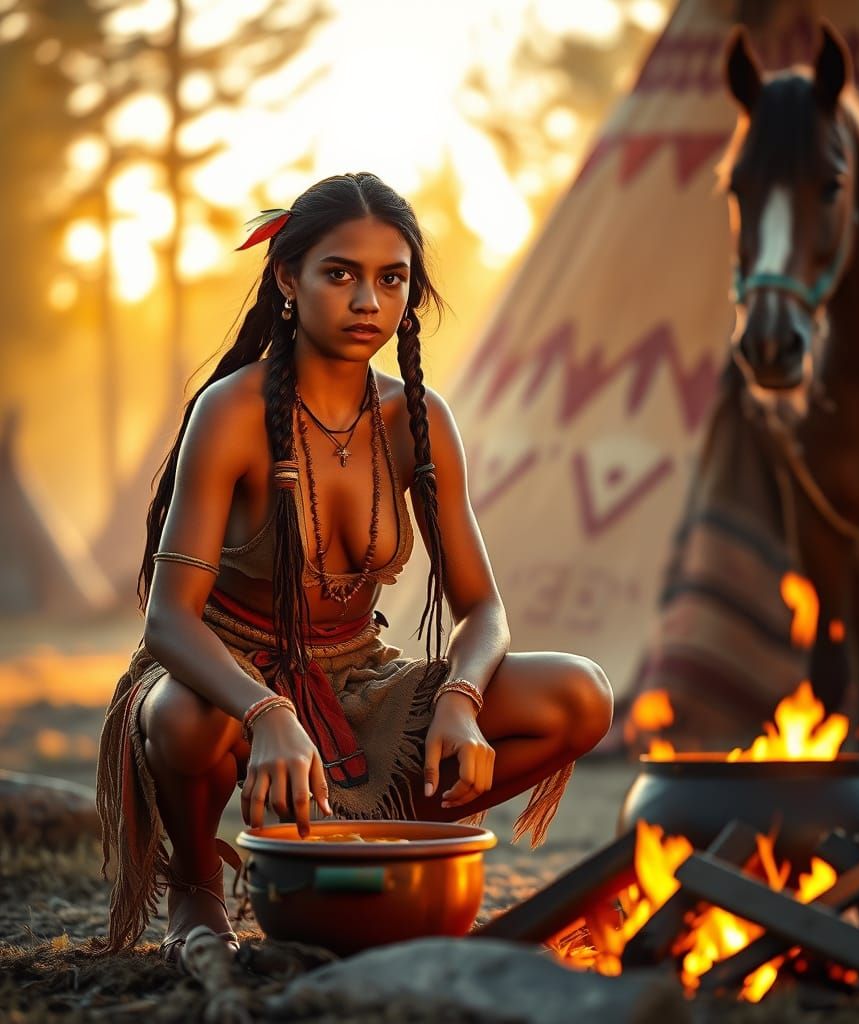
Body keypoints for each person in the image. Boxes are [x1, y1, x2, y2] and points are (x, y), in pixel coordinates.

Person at [93, 173, 613, 965]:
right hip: (221, 669)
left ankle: (381, 843)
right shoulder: (230, 412)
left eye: (391, 278)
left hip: (358, 675)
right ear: (287, 280)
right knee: (186, 718)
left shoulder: (420, 420)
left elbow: (485, 610)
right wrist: (268, 712)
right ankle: (198, 891)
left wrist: (462, 701)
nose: (368, 299)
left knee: (580, 694)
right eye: (340, 273)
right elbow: (170, 617)